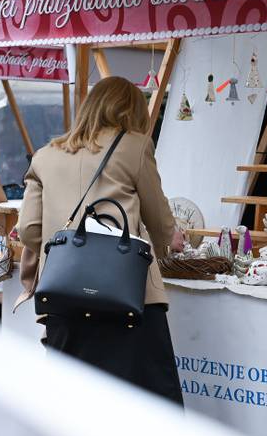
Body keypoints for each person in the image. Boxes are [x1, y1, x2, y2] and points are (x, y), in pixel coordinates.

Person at [16, 76, 185, 405]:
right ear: (132, 110)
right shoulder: (135, 146)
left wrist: (71, 251)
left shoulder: (46, 156)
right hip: (128, 297)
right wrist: (169, 243)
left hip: (64, 297)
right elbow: (160, 223)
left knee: (71, 401)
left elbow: (29, 229)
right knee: (147, 404)